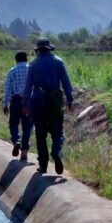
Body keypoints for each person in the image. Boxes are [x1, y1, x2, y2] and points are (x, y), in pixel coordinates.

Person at [23, 39, 74, 175]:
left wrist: (26, 105)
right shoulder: (58, 62)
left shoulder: (33, 65)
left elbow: (28, 87)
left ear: (38, 50)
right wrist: (69, 99)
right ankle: (56, 151)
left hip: (38, 102)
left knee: (41, 135)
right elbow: (66, 82)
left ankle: (43, 165)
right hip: (54, 101)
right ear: (49, 49)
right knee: (57, 131)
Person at [3, 51, 33, 161]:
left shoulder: (12, 71)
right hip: (28, 101)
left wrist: (5, 104)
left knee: (13, 123)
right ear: (26, 59)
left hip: (15, 101)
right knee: (27, 127)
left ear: (16, 60)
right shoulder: (31, 69)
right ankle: (24, 151)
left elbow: (8, 89)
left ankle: (16, 140)